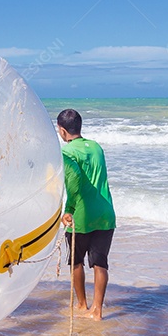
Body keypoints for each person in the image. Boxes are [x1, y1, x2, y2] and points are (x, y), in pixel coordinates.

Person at [57, 108, 116, 321]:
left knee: (76, 261)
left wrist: (68, 210)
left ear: (62, 131)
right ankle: (97, 310)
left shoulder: (67, 153)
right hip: (106, 213)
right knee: (100, 263)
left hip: (81, 215)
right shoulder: (97, 147)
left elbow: (74, 185)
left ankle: (82, 305)